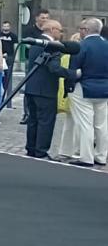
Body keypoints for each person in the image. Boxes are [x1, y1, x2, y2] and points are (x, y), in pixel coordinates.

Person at [22, 19, 70, 159]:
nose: (61, 34)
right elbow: (54, 68)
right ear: (52, 30)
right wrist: (72, 74)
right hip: (46, 90)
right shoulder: (51, 46)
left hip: (32, 88)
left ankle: (31, 148)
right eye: (60, 30)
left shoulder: (35, 43)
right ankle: (41, 151)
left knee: (33, 120)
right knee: (45, 122)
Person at [66, 16, 108, 167]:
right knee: (102, 125)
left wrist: (69, 85)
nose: (80, 31)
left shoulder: (81, 46)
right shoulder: (106, 44)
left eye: (81, 29)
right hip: (104, 88)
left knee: (85, 124)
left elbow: (74, 68)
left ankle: (86, 156)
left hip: (84, 86)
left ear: (86, 30)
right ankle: (101, 156)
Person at [0, 20, 19, 108]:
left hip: (9, 59)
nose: (6, 28)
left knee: (8, 81)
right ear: (2, 27)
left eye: (7, 26)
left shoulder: (13, 36)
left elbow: (15, 47)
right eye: (4, 26)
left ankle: (8, 103)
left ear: (9, 27)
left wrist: (15, 59)